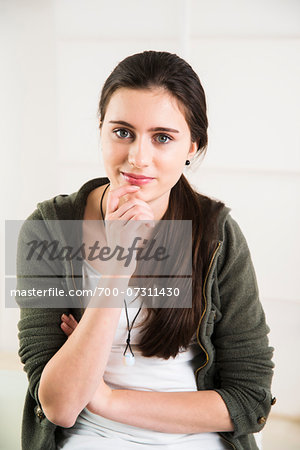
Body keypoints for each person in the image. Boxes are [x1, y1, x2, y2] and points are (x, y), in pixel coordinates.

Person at [16, 50, 275, 450]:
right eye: (122, 132)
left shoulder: (218, 234)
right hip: (87, 437)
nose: (138, 158)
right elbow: (60, 407)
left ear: (193, 145)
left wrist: (106, 398)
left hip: (197, 439)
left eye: (163, 138)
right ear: (100, 130)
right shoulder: (47, 229)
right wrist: (118, 265)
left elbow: (248, 399)